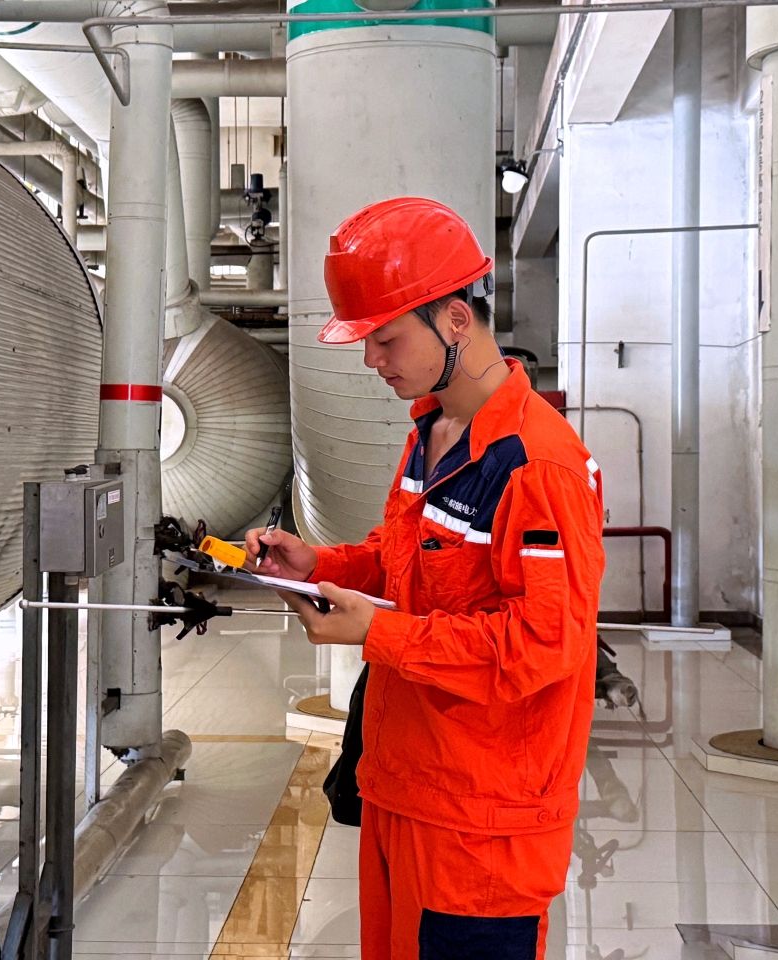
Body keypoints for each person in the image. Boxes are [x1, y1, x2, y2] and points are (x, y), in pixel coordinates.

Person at [244, 196, 605, 960]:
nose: (372, 360)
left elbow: (543, 645)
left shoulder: (538, 466)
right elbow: (403, 559)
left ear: (455, 320)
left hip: (482, 825)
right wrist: (318, 563)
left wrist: (378, 632)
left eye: (386, 338)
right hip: (404, 788)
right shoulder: (433, 431)